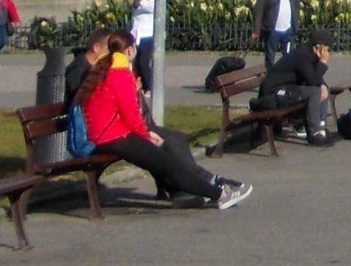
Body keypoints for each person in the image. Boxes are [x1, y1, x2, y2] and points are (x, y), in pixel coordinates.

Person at [77, 29, 251, 209]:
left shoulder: (104, 68)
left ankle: (211, 190)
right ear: (129, 50)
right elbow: (131, 115)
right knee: (168, 165)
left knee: (167, 160)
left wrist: (146, 135)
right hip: (112, 137)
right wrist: (146, 135)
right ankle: (220, 195)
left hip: (108, 135)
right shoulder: (119, 74)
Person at [260, 27, 337, 143]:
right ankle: (314, 132)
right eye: (327, 49)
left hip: (288, 88)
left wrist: (322, 84)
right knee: (315, 91)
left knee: (322, 88)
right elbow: (312, 80)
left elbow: (313, 78)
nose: (328, 53)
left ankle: (321, 126)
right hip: (274, 92)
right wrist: (323, 63)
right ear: (319, 47)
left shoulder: (308, 54)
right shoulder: (302, 56)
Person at [250, 0, 299, 70]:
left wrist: (296, 26)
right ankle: (270, 76)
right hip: (272, 30)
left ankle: (287, 75)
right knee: (270, 56)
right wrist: (256, 30)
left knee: (289, 56)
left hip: (288, 29)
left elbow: (296, 8)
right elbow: (259, 10)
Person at [131, 0, 157, 99]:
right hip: (137, 36)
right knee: (135, 63)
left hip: (148, 36)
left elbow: (148, 8)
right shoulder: (138, 4)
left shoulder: (152, 3)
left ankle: (149, 87)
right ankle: (138, 86)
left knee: (144, 62)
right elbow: (136, 6)